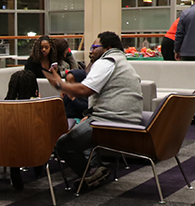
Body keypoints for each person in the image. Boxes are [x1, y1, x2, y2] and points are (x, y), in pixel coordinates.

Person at [49, 32, 143, 187]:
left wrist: (61, 85)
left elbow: (84, 90)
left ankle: (91, 173)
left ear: (108, 48)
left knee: (63, 145)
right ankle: (96, 170)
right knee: (83, 131)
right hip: (127, 119)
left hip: (111, 121)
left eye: (94, 46)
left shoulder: (107, 61)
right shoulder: (122, 62)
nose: (91, 51)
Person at [25, 35, 87, 119]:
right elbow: (28, 79)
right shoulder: (32, 62)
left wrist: (57, 71)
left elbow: (72, 69)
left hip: (54, 93)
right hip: (38, 94)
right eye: (41, 48)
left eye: (46, 47)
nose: (44, 50)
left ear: (51, 48)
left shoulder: (53, 60)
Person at [5, 70, 42, 191]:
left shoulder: (2, 107)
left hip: (6, 149)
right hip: (36, 148)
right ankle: (39, 169)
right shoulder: (39, 106)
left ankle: (15, 174)